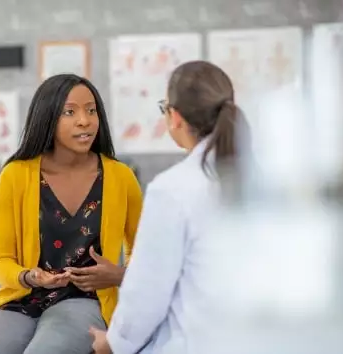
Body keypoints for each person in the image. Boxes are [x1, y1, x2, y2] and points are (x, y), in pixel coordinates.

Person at [90, 61, 250, 353]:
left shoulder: (173, 189)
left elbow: (147, 295)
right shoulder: (267, 177)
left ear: (174, 117)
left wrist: (111, 344)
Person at [0, 74, 143, 354]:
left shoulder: (121, 177)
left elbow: (146, 255)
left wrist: (118, 275)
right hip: (23, 298)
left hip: (87, 299)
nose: (84, 121)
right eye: (70, 112)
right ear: (47, 118)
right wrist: (29, 276)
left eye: (91, 110)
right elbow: (0, 260)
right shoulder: (15, 175)